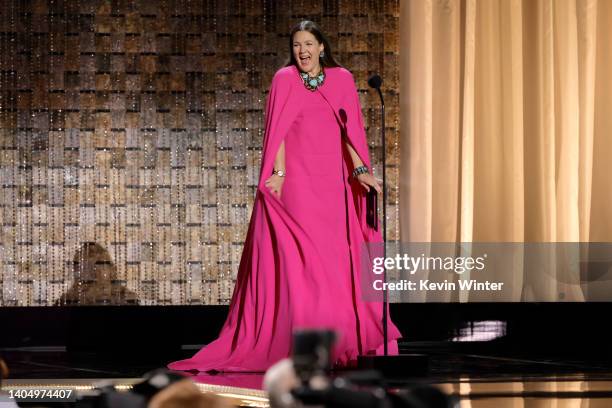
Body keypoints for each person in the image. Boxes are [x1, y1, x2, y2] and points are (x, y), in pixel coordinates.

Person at [168, 20, 401, 373]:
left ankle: (338, 342)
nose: (303, 51)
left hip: (332, 185)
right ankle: (304, 345)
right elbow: (277, 130)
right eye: (297, 45)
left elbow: (349, 131)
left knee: (334, 266)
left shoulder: (341, 80)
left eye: (309, 44)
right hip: (297, 185)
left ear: (322, 47)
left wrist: (359, 171)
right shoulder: (284, 79)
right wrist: (277, 174)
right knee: (303, 269)